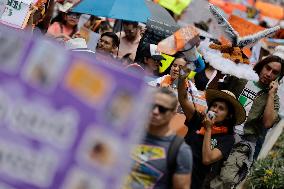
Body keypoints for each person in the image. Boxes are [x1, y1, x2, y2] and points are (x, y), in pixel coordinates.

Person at [210, 46, 284, 189]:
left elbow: (268, 123)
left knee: (227, 178)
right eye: (267, 68)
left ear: (279, 77)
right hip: (222, 131)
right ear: (262, 66)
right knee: (208, 169)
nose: (269, 74)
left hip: (244, 141)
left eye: (275, 72)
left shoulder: (273, 98)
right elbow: (215, 91)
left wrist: (271, 95)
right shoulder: (242, 77)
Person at [178, 66, 246, 189]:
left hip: (192, 182)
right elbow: (183, 99)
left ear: (228, 116)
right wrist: (182, 78)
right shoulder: (198, 119)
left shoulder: (227, 138)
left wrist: (208, 129)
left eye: (221, 108)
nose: (215, 110)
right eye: (214, 105)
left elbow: (207, 159)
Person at [125, 88, 192, 189]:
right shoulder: (128, 133)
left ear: (173, 114)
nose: (155, 111)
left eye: (162, 109)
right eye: (152, 106)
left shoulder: (180, 150)